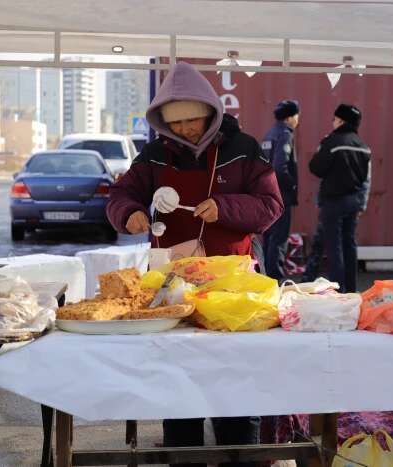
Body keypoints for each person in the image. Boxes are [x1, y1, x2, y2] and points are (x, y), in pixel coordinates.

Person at [106, 61, 284, 467]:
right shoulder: (152, 156)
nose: (186, 128)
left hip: (232, 287)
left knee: (234, 377)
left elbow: (271, 206)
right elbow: (120, 195)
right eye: (177, 122)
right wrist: (128, 213)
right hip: (172, 283)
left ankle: (242, 456)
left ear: (210, 111)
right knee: (179, 375)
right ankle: (184, 457)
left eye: (192, 119)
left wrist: (224, 207)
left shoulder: (243, 149)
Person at [309, 104, 370, 293]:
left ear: (341, 121)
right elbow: (365, 177)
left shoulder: (332, 142)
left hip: (333, 201)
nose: (333, 122)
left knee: (334, 247)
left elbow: (316, 167)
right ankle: (351, 289)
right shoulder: (363, 146)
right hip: (354, 201)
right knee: (349, 243)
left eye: (334, 119)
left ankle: (338, 290)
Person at [261, 100, 300, 282]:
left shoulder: (269, 134)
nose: (297, 120)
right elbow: (280, 166)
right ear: (290, 117)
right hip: (280, 194)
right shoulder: (285, 134)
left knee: (269, 235)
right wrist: (291, 184)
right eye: (297, 116)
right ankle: (275, 278)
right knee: (279, 236)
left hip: (266, 192)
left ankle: (267, 276)